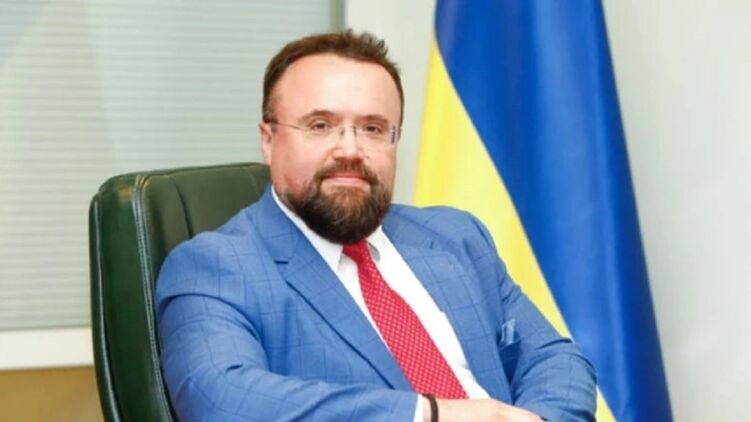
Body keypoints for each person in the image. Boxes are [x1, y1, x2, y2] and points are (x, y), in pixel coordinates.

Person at [156, 31, 596, 422]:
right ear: (268, 141)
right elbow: (223, 402)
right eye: (320, 125)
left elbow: (554, 360)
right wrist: (432, 415)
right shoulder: (215, 267)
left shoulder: (456, 237)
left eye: (372, 128)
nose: (349, 150)